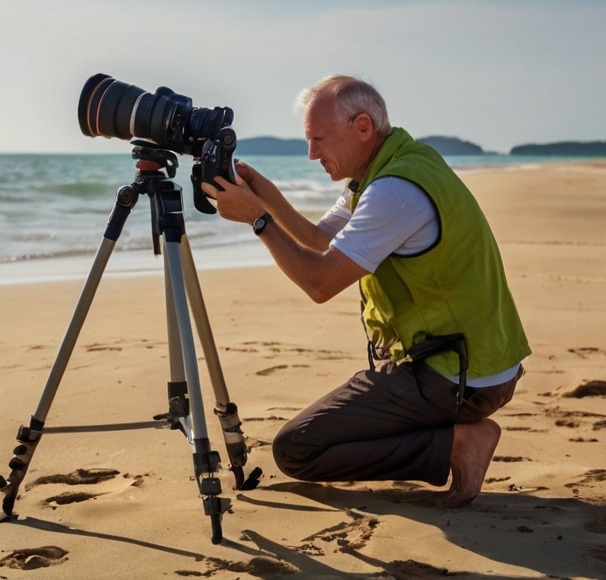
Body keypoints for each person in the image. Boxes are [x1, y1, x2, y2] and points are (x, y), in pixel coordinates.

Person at [201, 75, 530, 507]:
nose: (312, 153)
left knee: (297, 450)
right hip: (481, 364)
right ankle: (452, 435)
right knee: (316, 436)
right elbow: (322, 241)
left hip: (454, 375)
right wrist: (268, 198)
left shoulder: (394, 191)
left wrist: (258, 221)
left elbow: (320, 283)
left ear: (361, 127)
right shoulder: (399, 167)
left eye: (319, 139)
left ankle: (457, 444)